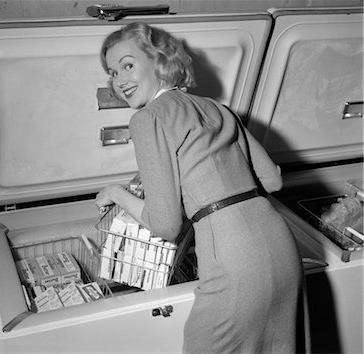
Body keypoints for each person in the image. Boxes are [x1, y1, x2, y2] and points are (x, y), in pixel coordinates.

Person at [95, 22, 304, 354]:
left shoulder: (147, 119)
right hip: (280, 245)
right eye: (112, 73)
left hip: (232, 258)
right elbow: (273, 179)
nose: (119, 80)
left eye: (128, 65)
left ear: (159, 61)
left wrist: (116, 193)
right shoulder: (216, 108)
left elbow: (166, 224)